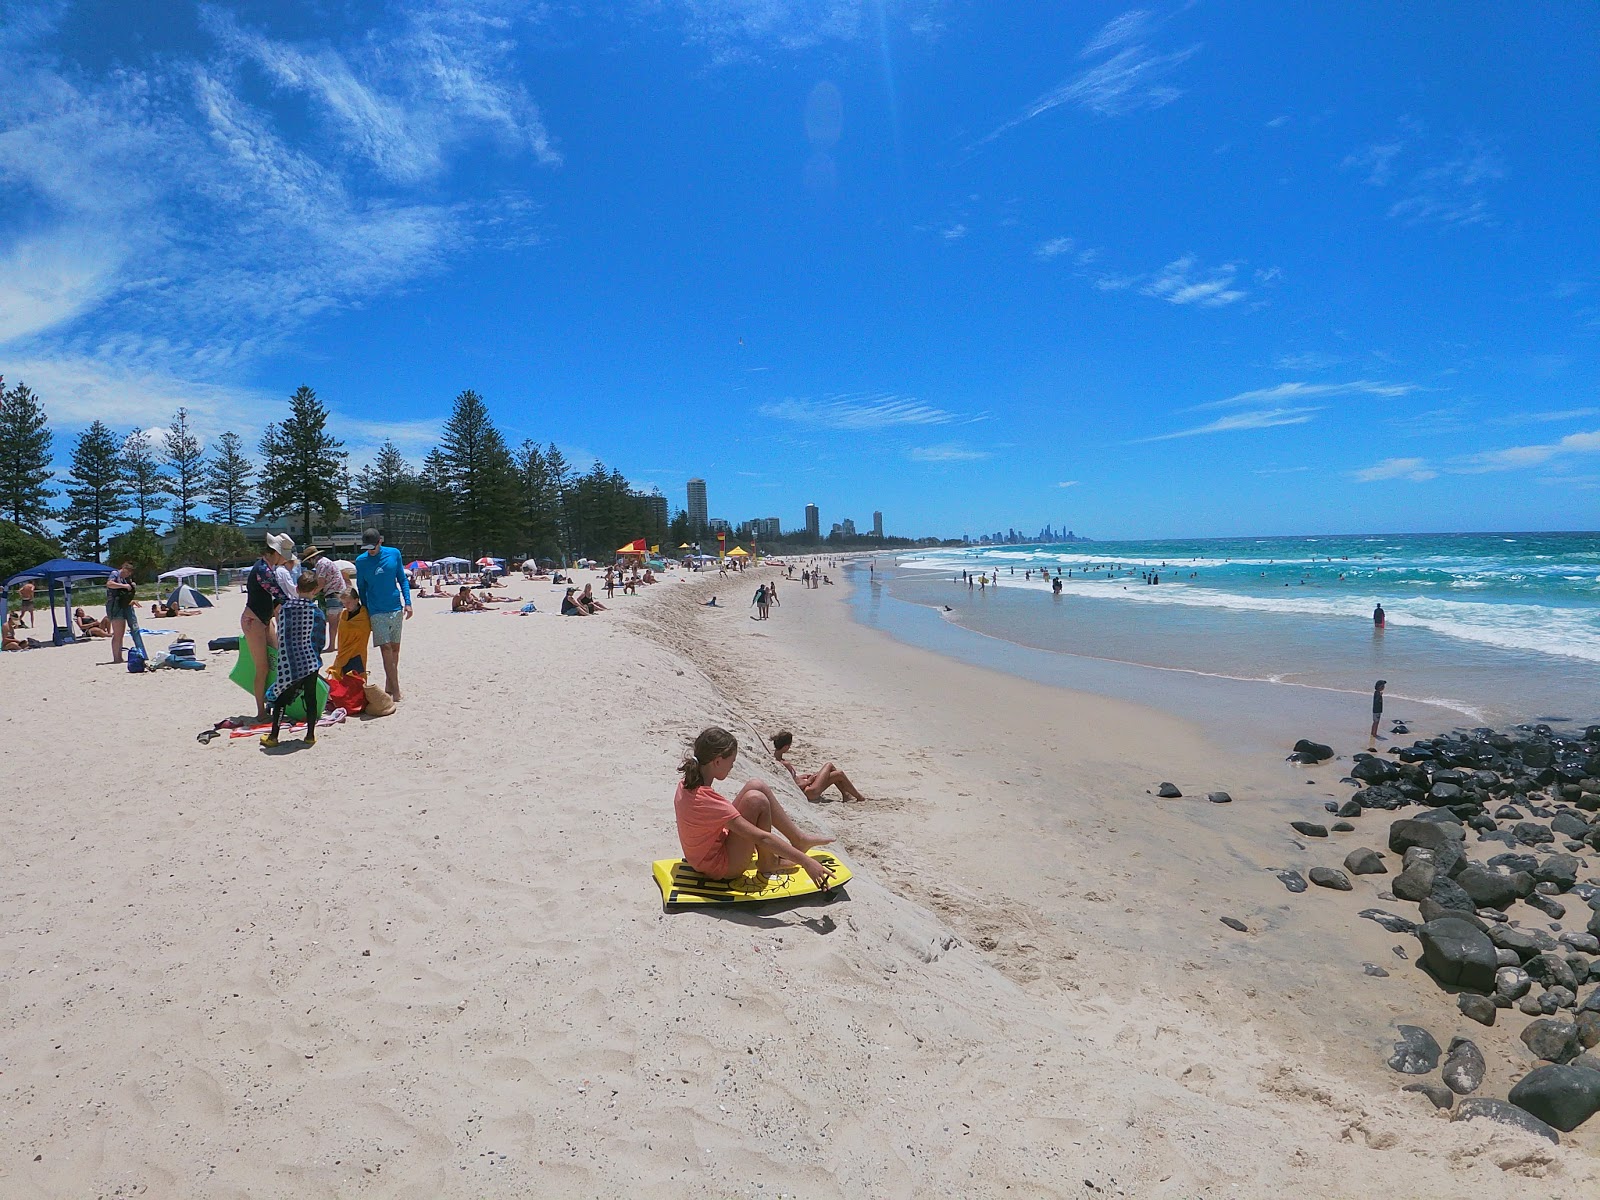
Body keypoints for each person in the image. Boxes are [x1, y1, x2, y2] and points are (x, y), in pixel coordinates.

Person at [674, 727, 834, 886]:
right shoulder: (708, 800)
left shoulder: (687, 784)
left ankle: (799, 839)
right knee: (757, 801)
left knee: (756, 785)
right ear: (717, 761)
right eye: (732, 762)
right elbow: (761, 837)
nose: (732, 767)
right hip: (719, 868)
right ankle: (768, 862)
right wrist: (806, 862)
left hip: (705, 853)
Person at [262, 574, 324, 748]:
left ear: (296, 589)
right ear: (315, 591)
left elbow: (282, 635)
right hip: (310, 661)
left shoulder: (285, 609)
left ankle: (274, 736)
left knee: (281, 698)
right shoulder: (316, 612)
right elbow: (320, 640)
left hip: (289, 662)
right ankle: (310, 735)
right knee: (311, 698)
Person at [354, 528, 412, 702]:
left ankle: (389, 684)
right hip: (376, 611)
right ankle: (396, 690)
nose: (370, 551)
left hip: (395, 608)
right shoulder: (361, 561)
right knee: (385, 649)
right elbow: (362, 588)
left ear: (380, 541)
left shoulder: (394, 554)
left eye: (373, 546)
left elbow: (402, 579)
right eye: (367, 547)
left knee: (395, 650)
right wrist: (365, 610)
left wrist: (408, 602)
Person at [242, 535, 294, 720]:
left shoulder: (268, 568)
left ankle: (272, 702)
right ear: (278, 553)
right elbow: (278, 594)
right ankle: (260, 711)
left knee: (277, 661)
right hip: (253, 621)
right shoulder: (262, 570)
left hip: (263, 619)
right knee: (263, 667)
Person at [771, 730, 867, 802]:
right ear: (785, 747)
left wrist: (802, 777)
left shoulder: (774, 759)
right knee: (836, 771)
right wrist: (809, 780)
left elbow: (789, 779)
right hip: (808, 791)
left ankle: (846, 795)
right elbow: (794, 785)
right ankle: (859, 797)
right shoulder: (785, 764)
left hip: (807, 788)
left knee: (835, 772)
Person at [302, 546, 346, 652]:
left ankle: (331, 646)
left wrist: (311, 594)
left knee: (332, 622)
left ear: (311, 558)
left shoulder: (321, 564)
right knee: (337, 623)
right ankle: (337, 644)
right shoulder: (326, 562)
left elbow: (321, 584)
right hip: (339, 592)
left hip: (333, 594)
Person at [104, 562, 145, 665]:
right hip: (114, 606)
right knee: (117, 633)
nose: (127, 575)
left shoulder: (125, 579)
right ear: (123, 569)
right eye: (127, 572)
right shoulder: (115, 574)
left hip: (122, 605)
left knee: (121, 633)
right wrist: (124, 586)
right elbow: (109, 584)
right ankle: (116, 658)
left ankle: (119, 657)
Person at [333, 589, 371, 676]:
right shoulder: (344, 615)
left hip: (357, 652)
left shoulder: (363, 615)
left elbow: (363, 632)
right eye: (343, 603)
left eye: (348, 602)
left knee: (357, 680)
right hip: (343, 652)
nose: (346, 606)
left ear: (356, 600)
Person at [1369, 679, 1387, 746]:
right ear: (1379, 687)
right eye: (1383, 686)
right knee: (1376, 722)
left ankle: (1373, 733)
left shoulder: (1377, 693)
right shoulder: (1377, 693)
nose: (1383, 687)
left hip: (1377, 710)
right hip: (1377, 710)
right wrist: (1380, 696)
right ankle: (1374, 733)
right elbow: (1377, 701)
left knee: (1376, 722)